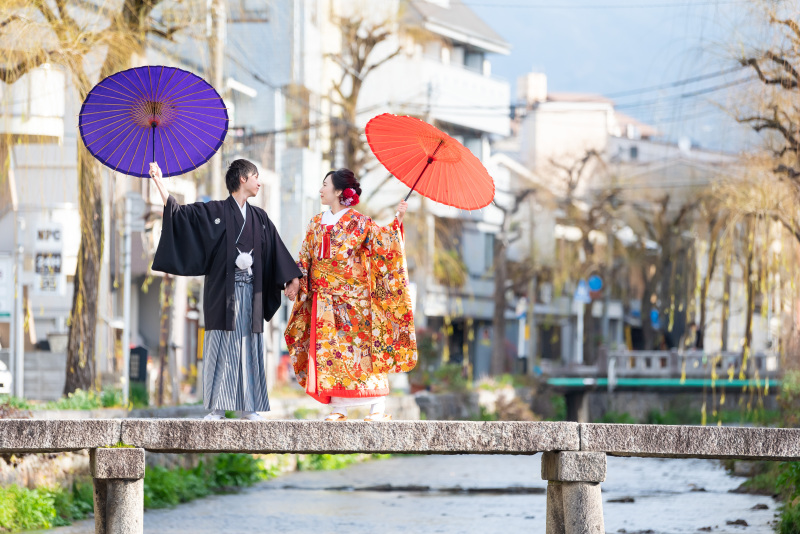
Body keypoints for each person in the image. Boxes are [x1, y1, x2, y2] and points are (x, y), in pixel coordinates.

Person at [149, 159, 302, 421]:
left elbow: (276, 251)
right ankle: (217, 409)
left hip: (251, 293)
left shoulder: (260, 217)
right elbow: (181, 215)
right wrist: (159, 182)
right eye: (255, 176)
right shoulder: (215, 211)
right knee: (220, 347)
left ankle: (249, 408)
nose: (259, 182)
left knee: (249, 346)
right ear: (242, 179)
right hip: (223, 295)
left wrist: (292, 279)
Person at [284, 169, 417, 421]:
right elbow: (305, 259)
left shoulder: (360, 222)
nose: (321, 189)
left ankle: (377, 407)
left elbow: (384, 244)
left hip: (354, 301)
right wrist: (294, 281)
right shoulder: (315, 222)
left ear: (337, 191)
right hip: (323, 300)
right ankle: (339, 407)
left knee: (361, 354)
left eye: (325, 185)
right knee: (331, 353)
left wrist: (397, 219)